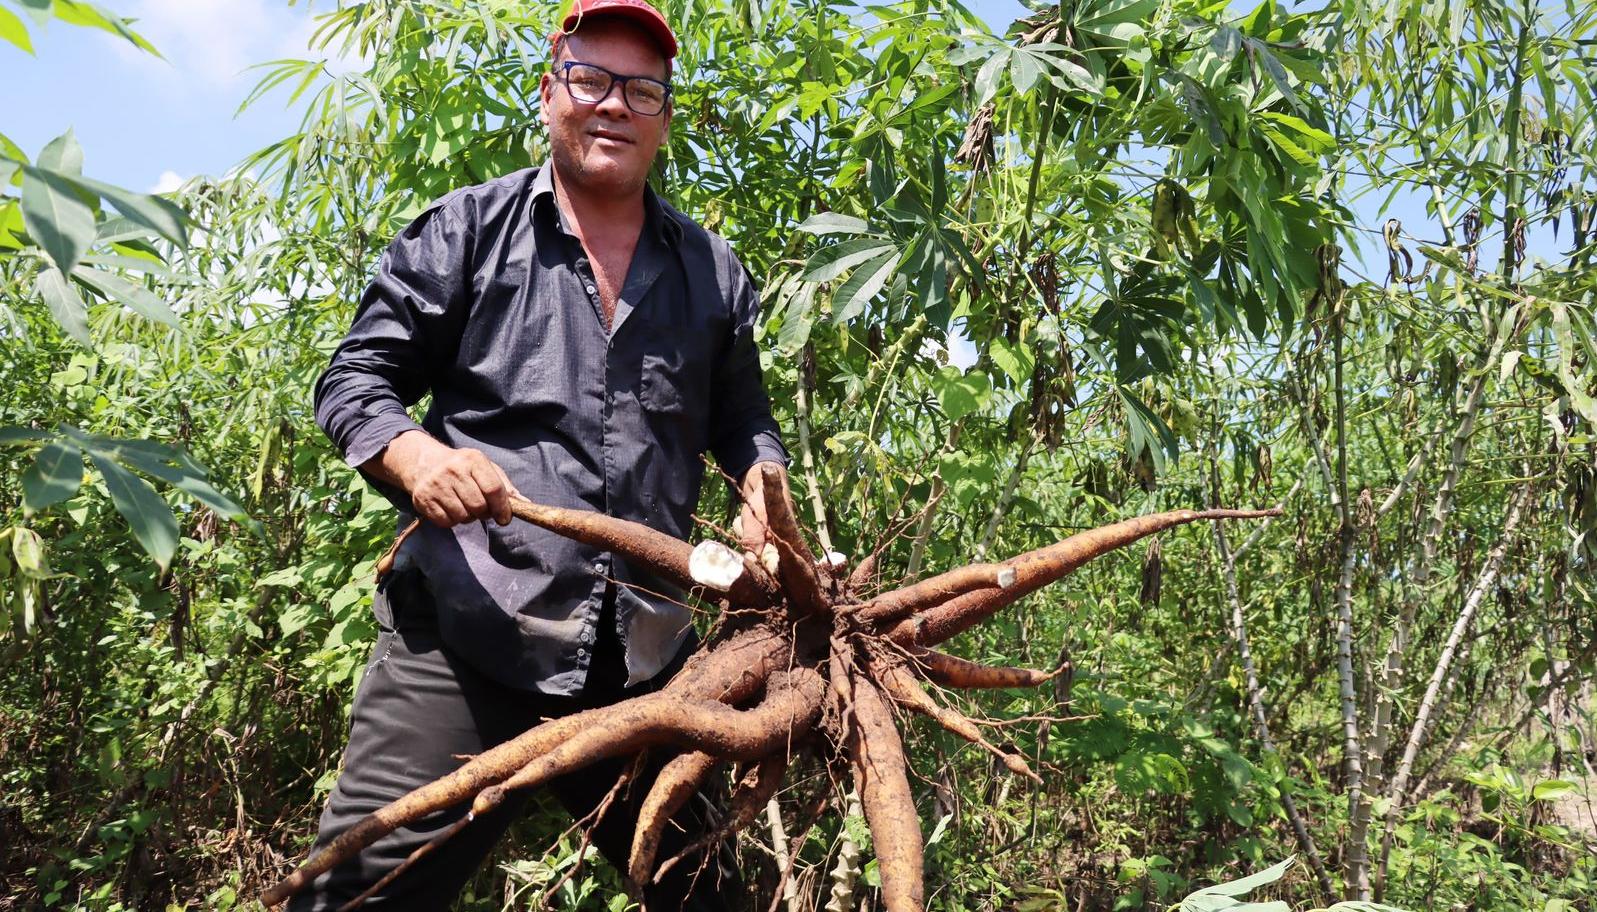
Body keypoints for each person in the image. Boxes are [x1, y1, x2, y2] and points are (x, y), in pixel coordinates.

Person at [295, 0, 789, 906]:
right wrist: (412, 456)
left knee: (708, 895)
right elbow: (355, 379)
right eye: (590, 80)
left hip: (642, 660)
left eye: (642, 90)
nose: (613, 106)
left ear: (666, 116)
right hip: (467, 635)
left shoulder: (712, 272)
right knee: (362, 893)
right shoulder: (465, 231)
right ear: (549, 91)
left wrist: (764, 490)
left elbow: (744, 420)